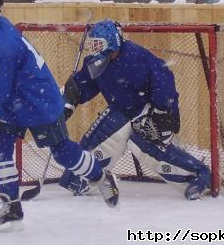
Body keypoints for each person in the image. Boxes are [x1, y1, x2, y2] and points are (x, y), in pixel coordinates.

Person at [0, 0, 119, 233]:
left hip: (40, 101)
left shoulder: (3, 47)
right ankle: (12, 207)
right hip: (15, 99)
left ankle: (99, 175)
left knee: (62, 153)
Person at [58, 19, 211, 200]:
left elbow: (163, 78)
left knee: (147, 147)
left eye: (98, 44)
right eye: (92, 44)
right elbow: (81, 83)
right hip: (121, 110)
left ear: (112, 41)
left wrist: (164, 112)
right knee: (98, 139)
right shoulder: (96, 61)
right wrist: (66, 103)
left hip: (147, 111)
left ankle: (200, 176)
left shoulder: (136, 57)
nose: (94, 48)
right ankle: (80, 178)